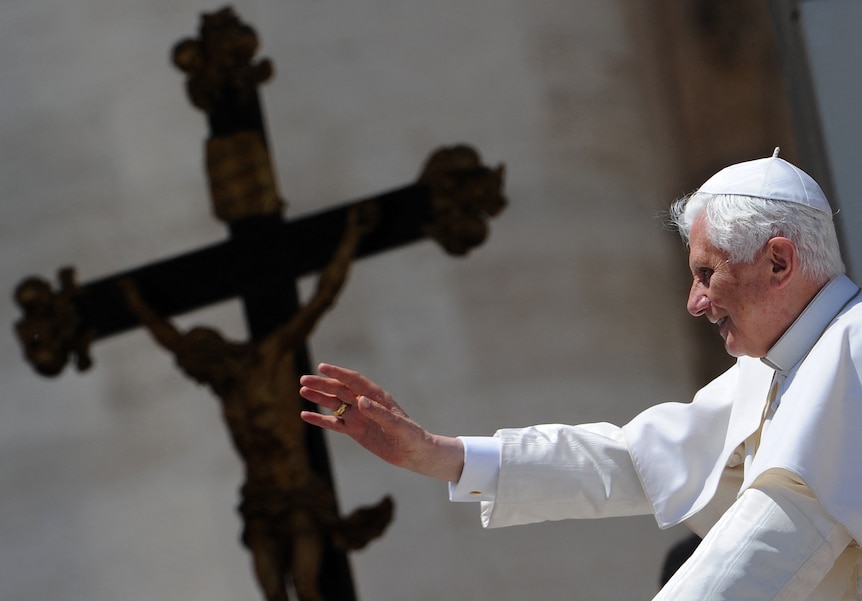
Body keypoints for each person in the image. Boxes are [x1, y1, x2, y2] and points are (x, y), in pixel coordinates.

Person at [299, 149, 862, 599]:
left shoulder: (853, 349)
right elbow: (631, 460)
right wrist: (438, 453)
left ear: (779, 262)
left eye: (706, 273)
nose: (694, 303)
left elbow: (772, 538)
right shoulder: (774, 368)